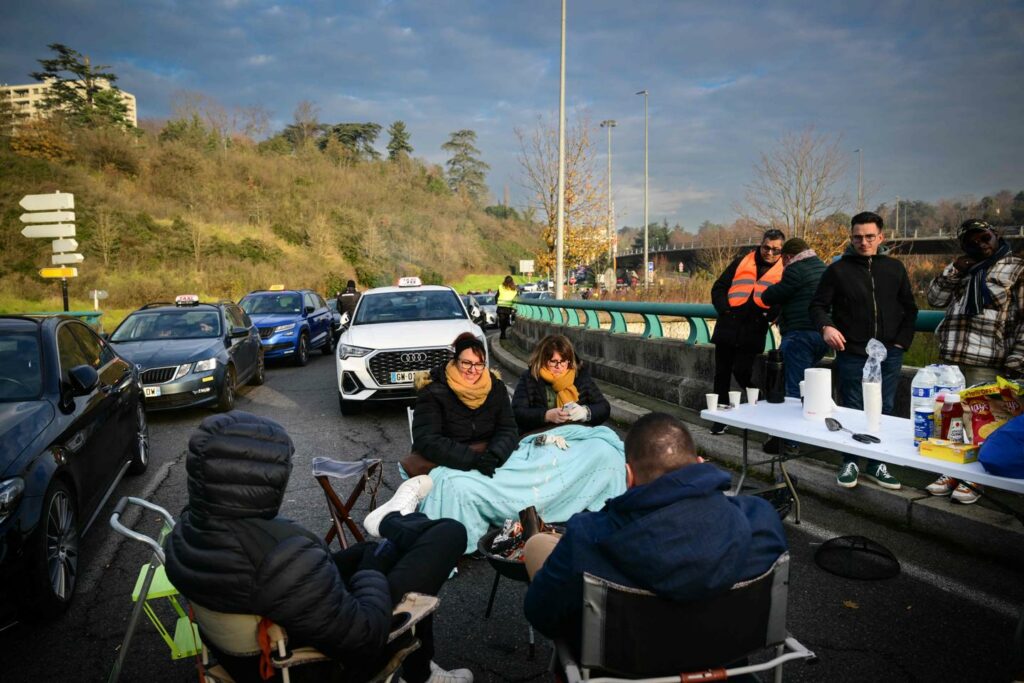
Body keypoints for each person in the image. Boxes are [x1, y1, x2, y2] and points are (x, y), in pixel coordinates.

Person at [164, 411, 471, 683]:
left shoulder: (186, 529)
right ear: (261, 478)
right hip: (322, 663)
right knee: (449, 534)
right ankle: (393, 519)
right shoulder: (277, 555)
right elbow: (363, 637)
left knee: (369, 550)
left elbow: (289, 581)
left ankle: (393, 521)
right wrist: (370, 572)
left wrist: (364, 563)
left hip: (274, 633)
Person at [522, 412, 787, 656]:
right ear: (699, 463)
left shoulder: (586, 537)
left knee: (537, 545)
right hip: (728, 653)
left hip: (625, 664)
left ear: (628, 477)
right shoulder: (761, 518)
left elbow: (541, 614)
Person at [413, 333, 626, 553]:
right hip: (529, 441)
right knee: (465, 483)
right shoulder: (436, 392)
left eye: (478, 364)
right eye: (466, 363)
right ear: (456, 362)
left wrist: (586, 412)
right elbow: (518, 416)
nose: (473, 370)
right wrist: (546, 415)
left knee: (604, 450)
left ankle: (598, 505)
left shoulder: (495, 387)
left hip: (562, 440)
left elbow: (507, 428)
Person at [809, 211, 918, 490]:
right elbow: (818, 306)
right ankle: (850, 461)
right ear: (851, 237)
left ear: (881, 237)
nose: (864, 242)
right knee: (852, 408)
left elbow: (910, 308)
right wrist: (826, 328)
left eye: (870, 236)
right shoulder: (837, 270)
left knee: (887, 408)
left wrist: (901, 342)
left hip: (889, 352)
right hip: (852, 351)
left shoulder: (894, 268)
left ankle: (878, 462)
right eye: (858, 237)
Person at [923, 219, 1024, 503]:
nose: (980, 244)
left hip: (989, 359)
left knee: (984, 425)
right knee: (952, 423)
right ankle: (951, 470)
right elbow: (934, 299)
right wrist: (955, 270)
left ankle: (976, 480)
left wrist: (1017, 359)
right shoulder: (965, 268)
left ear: (996, 235)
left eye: (985, 237)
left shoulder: (1015, 267)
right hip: (950, 359)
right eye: (971, 241)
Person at [708, 228, 785, 435]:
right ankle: (720, 418)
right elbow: (719, 287)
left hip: (754, 328)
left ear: (781, 251)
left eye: (776, 250)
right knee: (721, 375)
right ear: (761, 245)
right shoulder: (742, 261)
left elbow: (784, 298)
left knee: (742, 371)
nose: (770, 253)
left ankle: (758, 400)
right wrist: (724, 309)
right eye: (766, 247)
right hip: (728, 324)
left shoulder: (785, 269)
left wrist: (771, 315)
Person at [760, 237, 829, 454]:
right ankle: (807, 435)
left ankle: (789, 442)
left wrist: (769, 289)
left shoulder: (795, 269)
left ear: (788, 256)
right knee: (807, 388)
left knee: (791, 389)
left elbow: (771, 296)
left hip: (799, 335)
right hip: (822, 335)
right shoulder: (823, 268)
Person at [512, 334, 610, 434]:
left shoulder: (580, 375)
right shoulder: (530, 377)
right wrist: (546, 416)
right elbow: (517, 413)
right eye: (553, 362)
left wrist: (585, 412)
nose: (559, 367)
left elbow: (604, 407)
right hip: (543, 435)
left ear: (569, 360)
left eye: (563, 361)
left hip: (578, 434)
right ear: (542, 360)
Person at [496, 276, 517, 340]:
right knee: (505, 321)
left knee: (502, 321)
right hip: (508, 308)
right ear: (512, 281)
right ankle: (503, 334)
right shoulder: (514, 289)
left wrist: (496, 302)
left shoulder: (500, 287)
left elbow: (496, 296)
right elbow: (516, 299)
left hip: (501, 307)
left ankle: (503, 333)